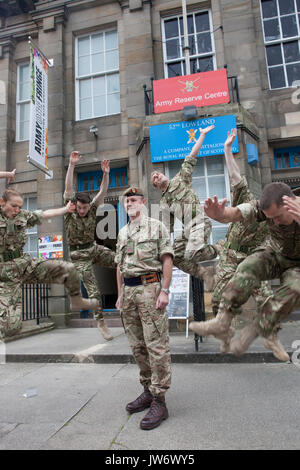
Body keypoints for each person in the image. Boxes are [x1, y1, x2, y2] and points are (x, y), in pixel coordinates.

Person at [189, 181, 300, 360]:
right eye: (271, 218)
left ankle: (260, 329)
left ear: (289, 203)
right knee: (247, 266)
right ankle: (222, 321)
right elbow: (235, 213)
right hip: (277, 255)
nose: (275, 222)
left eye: (278, 217)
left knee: (295, 288)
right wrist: (220, 214)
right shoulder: (264, 209)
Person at [208, 130, 288, 360]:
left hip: (252, 259)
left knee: (265, 297)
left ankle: (272, 338)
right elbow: (235, 176)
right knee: (218, 300)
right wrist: (226, 149)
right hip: (231, 255)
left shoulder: (281, 220)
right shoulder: (248, 201)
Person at [0, 180, 99, 339]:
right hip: (6, 277)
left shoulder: (23, 216)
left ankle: (77, 301)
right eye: (14, 206)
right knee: (12, 327)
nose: (17, 210)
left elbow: (44, 214)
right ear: (2, 202)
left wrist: (65, 209)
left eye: (20, 206)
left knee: (68, 269)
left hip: (25, 265)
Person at [115, 186, 173, 431]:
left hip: (150, 289)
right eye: (127, 201)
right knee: (137, 346)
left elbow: (167, 259)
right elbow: (119, 265)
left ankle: (160, 400)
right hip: (128, 293)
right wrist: (119, 295)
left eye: (134, 200)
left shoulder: (156, 226)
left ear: (143, 202)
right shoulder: (122, 232)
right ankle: (148, 390)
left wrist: (165, 290)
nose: (130, 204)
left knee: (156, 345)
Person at [151, 125, 218, 291]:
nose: (157, 175)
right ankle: (204, 274)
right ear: (157, 186)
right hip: (188, 229)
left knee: (192, 253)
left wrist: (202, 135)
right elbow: (167, 229)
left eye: (158, 173)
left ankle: (218, 248)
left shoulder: (181, 179)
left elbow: (192, 155)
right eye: (154, 178)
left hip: (200, 222)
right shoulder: (164, 202)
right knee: (174, 256)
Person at [64, 151, 116, 341]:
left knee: (121, 259)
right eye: (80, 207)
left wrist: (106, 173)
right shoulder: (70, 212)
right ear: (75, 205)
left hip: (93, 248)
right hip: (79, 256)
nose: (83, 210)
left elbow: (102, 192)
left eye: (85, 207)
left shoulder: (93, 208)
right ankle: (101, 323)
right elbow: (68, 188)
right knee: (94, 291)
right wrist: (71, 165)